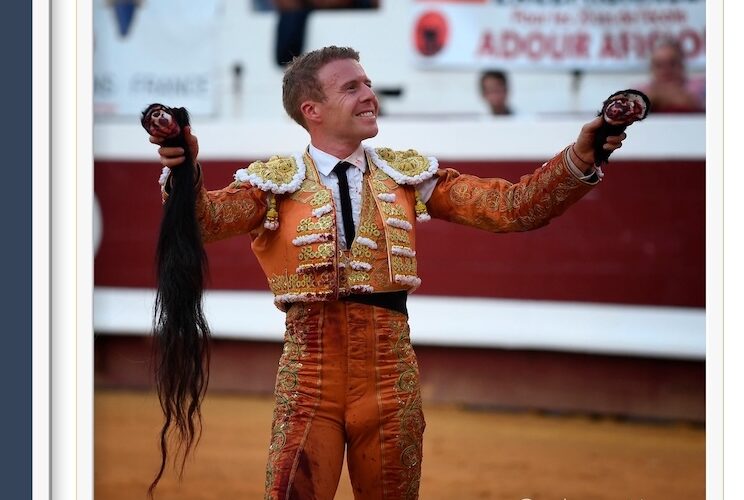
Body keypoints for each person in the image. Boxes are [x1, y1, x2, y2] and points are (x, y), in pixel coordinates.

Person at [149, 45, 626, 500]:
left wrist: (582, 157)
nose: (369, 96)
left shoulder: (407, 176)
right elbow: (203, 222)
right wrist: (185, 169)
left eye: (368, 84)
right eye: (351, 87)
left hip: (390, 376)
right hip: (308, 378)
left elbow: (513, 208)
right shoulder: (272, 185)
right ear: (312, 110)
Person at [637, 38, 705, 113]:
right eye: (659, 65)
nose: (666, 70)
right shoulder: (642, 89)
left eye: (672, 63)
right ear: (652, 69)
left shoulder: (700, 87)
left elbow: (692, 103)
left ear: (682, 65)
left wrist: (655, 98)